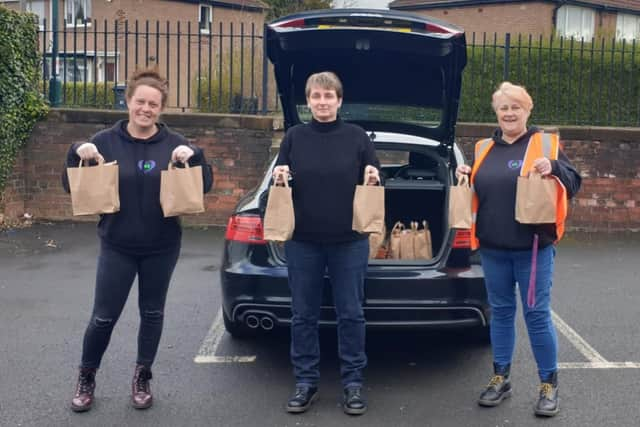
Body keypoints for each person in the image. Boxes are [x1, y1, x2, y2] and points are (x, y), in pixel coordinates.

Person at [62, 68, 213, 412]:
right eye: (140, 101)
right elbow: (69, 184)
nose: (146, 108)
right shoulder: (105, 141)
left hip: (162, 246)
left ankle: (142, 375)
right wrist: (75, 151)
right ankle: (87, 376)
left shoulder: (175, 143)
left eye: (153, 104)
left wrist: (197, 157)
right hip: (117, 244)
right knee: (103, 316)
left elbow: (203, 186)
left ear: (161, 108)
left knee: (153, 312)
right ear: (128, 101)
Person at [456, 82, 581, 417]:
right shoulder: (483, 147)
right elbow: (479, 190)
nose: (509, 113)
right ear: (495, 112)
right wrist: (465, 174)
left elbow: (574, 180)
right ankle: (501, 378)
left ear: (528, 110)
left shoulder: (544, 144)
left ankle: (548, 385)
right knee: (500, 313)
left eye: (516, 107)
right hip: (493, 248)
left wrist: (553, 168)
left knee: (536, 315)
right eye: (503, 108)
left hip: (533, 248)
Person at [272, 71, 380, 416]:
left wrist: (375, 177)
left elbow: (374, 177)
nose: (322, 102)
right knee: (303, 315)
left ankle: (352, 384)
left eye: (328, 96)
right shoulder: (294, 137)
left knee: (351, 314)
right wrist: (279, 176)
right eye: (316, 96)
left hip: (349, 241)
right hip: (303, 241)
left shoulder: (357, 137)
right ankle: (306, 382)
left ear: (339, 100)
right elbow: (281, 175)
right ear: (308, 101)